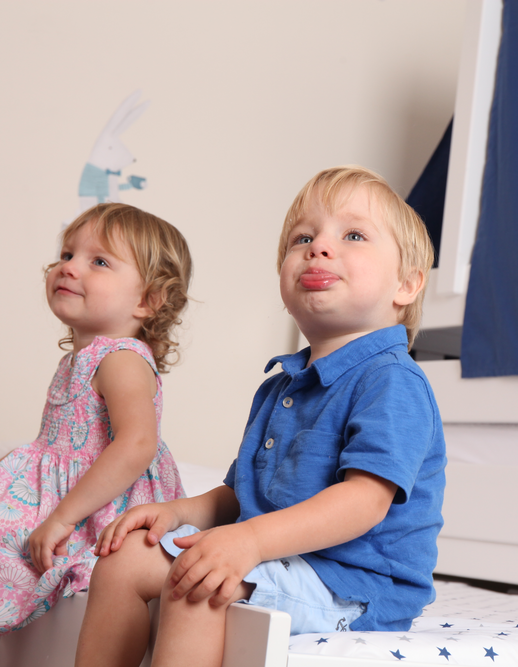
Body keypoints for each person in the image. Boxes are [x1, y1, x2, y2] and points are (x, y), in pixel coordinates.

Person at [75, 166, 447, 667]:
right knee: (122, 563)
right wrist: (180, 512)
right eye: (302, 238)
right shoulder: (281, 386)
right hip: (282, 559)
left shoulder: (392, 380)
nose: (318, 247)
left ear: (407, 284)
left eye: (353, 235)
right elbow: (241, 495)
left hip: (352, 584)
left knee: (197, 580)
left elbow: (363, 502)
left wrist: (248, 541)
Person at [0, 203, 193, 667]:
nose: (68, 266)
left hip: (101, 507)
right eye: (67, 253)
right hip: (70, 492)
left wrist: (63, 518)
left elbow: (135, 445)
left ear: (147, 300)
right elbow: (63, 445)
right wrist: (5, 475)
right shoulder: (81, 358)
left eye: (98, 261)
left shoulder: (122, 359)